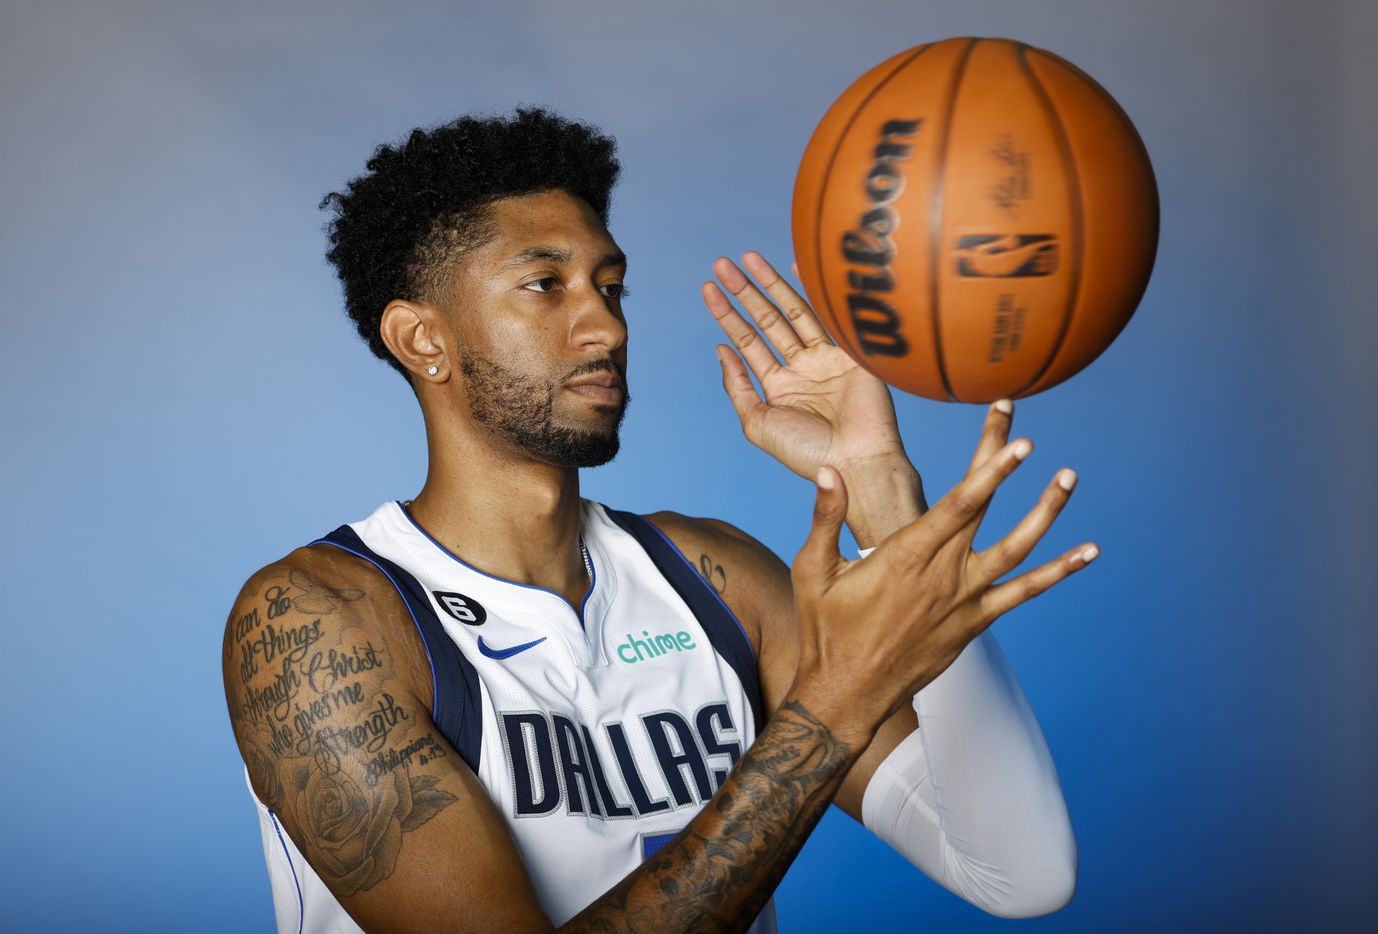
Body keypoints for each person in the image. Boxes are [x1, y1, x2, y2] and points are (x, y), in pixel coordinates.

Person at [221, 106, 1092, 934]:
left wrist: (877, 491)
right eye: (544, 285)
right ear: (423, 340)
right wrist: (830, 709)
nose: (604, 326)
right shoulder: (321, 622)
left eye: (610, 286)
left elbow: (1019, 875)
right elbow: (836, 704)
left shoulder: (714, 580)